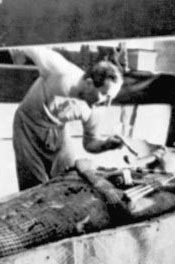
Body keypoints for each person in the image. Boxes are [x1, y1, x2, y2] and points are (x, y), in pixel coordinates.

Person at [11, 47, 125, 190]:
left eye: (111, 99)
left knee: (69, 180)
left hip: (57, 131)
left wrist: (106, 145)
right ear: (89, 83)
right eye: (104, 95)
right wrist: (17, 56)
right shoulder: (61, 71)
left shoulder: (95, 109)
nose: (107, 104)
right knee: (34, 189)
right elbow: (31, 47)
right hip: (28, 126)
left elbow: (90, 144)